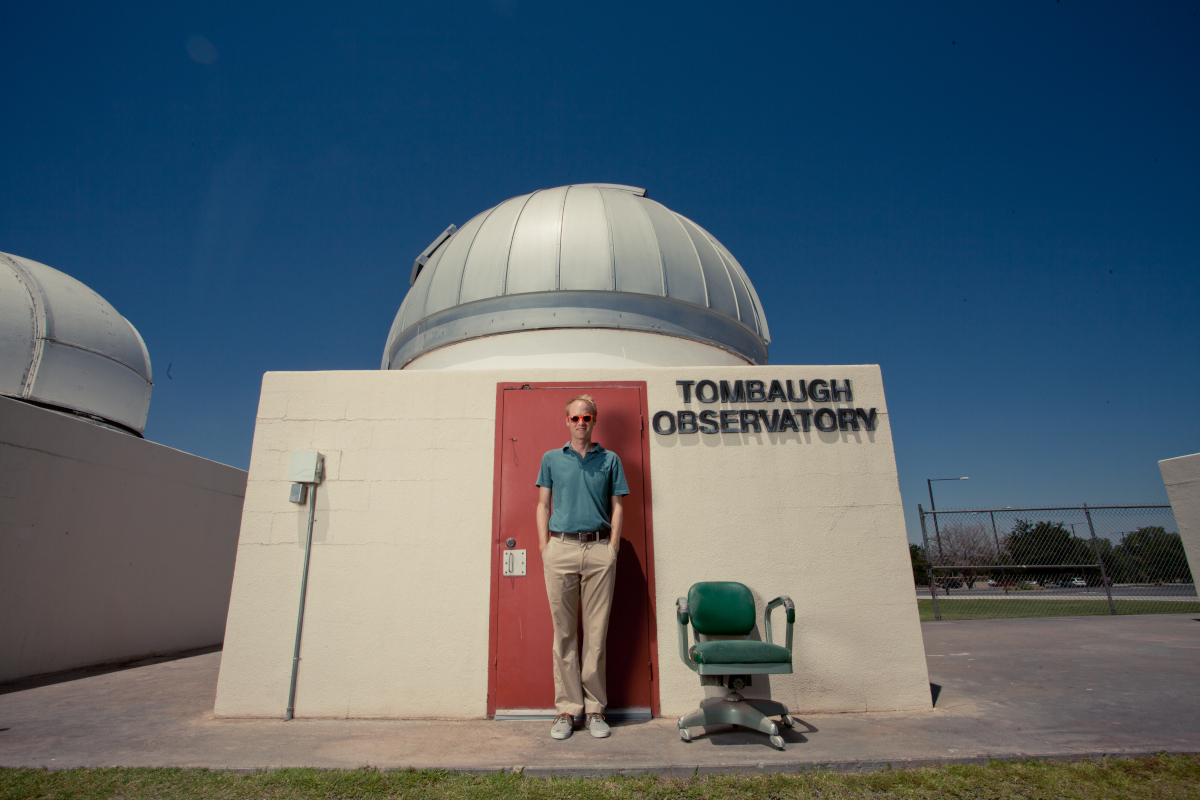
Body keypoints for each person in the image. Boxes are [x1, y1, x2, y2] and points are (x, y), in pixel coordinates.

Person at [535, 394, 629, 740]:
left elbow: (617, 506)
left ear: (594, 420)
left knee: (597, 635)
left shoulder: (610, 460)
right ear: (567, 421)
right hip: (560, 549)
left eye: (586, 418)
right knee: (564, 633)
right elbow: (542, 504)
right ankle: (567, 709)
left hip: (599, 551)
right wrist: (546, 547)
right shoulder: (551, 459)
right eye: (575, 418)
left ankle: (595, 710)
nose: (580, 423)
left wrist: (613, 547)